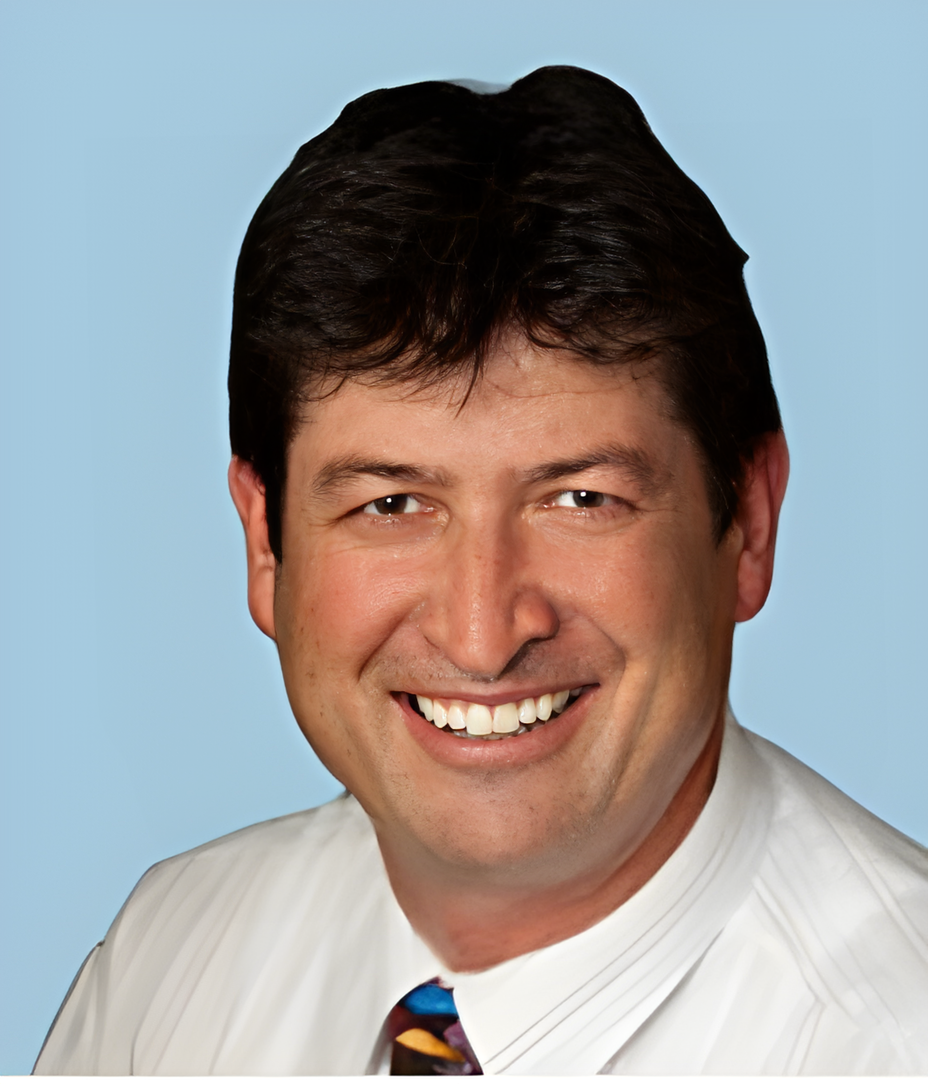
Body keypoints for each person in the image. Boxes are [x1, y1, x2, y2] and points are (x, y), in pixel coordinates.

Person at [34, 66, 927, 1076]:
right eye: (391, 504)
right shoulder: (168, 968)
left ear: (749, 525)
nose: (482, 633)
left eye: (581, 499)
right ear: (264, 544)